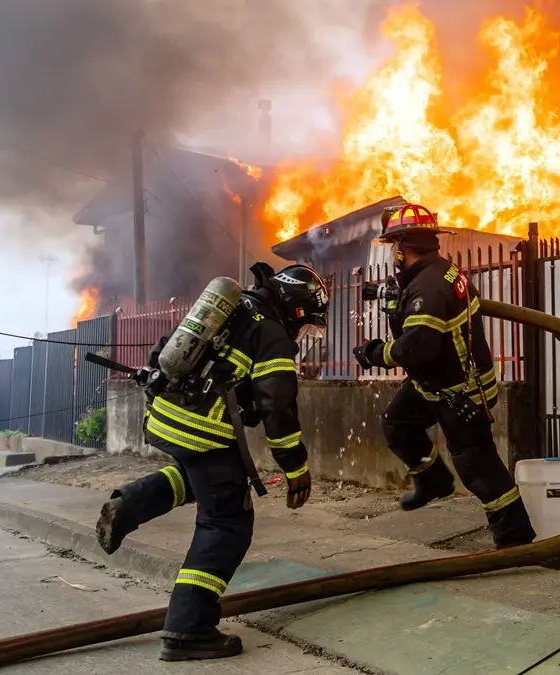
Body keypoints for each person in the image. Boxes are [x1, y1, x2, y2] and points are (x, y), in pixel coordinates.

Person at [94, 263, 329, 662]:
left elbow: (166, 347)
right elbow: (278, 408)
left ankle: (130, 504)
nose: (301, 333)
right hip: (203, 430)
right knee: (227, 523)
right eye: (305, 324)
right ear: (294, 308)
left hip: (165, 417)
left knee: (202, 477)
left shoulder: (230, 309)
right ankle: (189, 628)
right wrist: (295, 467)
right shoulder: (271, 334)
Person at [352, 203, 536, 549]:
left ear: (403, 247)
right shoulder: (440, 274)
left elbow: (416, 348)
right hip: (431, 383)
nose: (394, 254)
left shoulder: (429, 287)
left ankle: (516, 542)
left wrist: (374, 353)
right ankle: (433, 480)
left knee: (478, 468)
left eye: (394, 248)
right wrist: (397, 300)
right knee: (397, 423)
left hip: (461, 391)